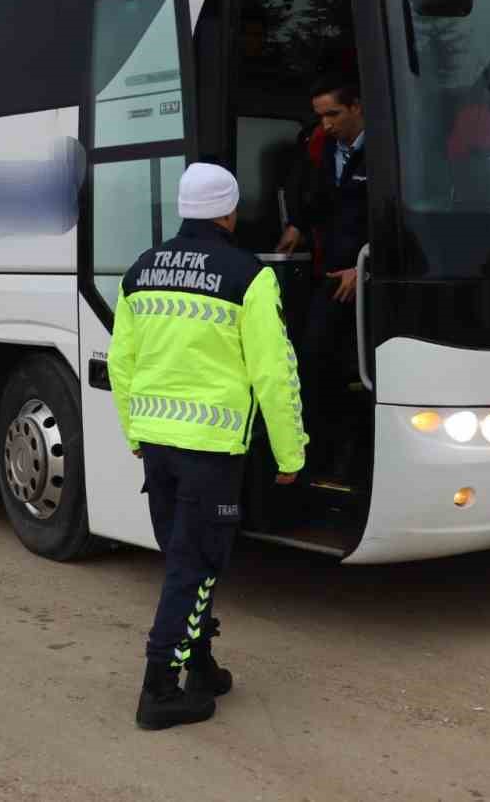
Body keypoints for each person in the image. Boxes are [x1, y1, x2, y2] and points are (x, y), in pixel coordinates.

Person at [108, 162, 308, 731]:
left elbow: (121, 364)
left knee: (183, 557)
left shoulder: (140, 270)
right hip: (211, 449)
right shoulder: (248, 276)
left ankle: (199, 665)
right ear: (229, 211)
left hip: (157, 444)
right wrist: (291, 455)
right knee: (196, 564)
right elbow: (275, 375)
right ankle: (159, 688)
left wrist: (134, 434)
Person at [276, 77, 369, 480]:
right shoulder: (320, 148)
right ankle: (321, 460)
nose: (326, 124)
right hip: (330, 276)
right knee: (312, 363)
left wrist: (366, 265)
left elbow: (400, 215)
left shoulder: (389, 150)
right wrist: (296, 225)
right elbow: (311, 197)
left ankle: (359, 459)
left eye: (333, 114)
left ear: (358, 108)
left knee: (367, 373)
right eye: (320, 116)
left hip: (370, 278)